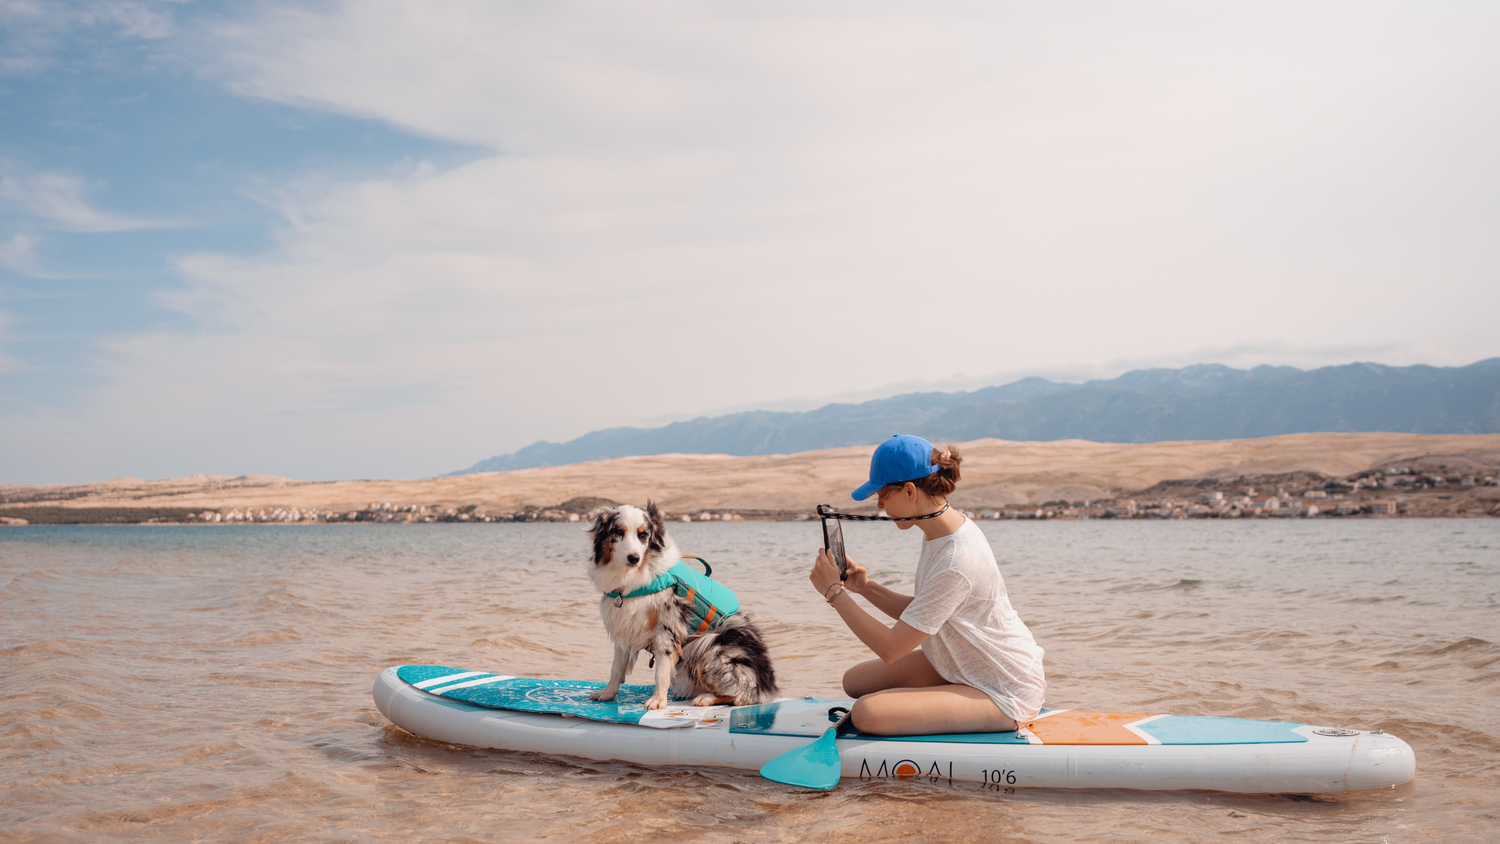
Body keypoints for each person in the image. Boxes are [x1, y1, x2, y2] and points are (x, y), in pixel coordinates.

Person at [808, 434, 1045, 736]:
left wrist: (834, 593)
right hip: (965, 662)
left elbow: (891, 648)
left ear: (909, 491)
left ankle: (985, 709)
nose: (879, 505)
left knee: (867, 712)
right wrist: (864, 587)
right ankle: (947, 698)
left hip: (1004, 687)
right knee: (854, 682)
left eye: (882, 495)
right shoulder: (942, 530)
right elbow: (926, 611)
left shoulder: (956, 559)